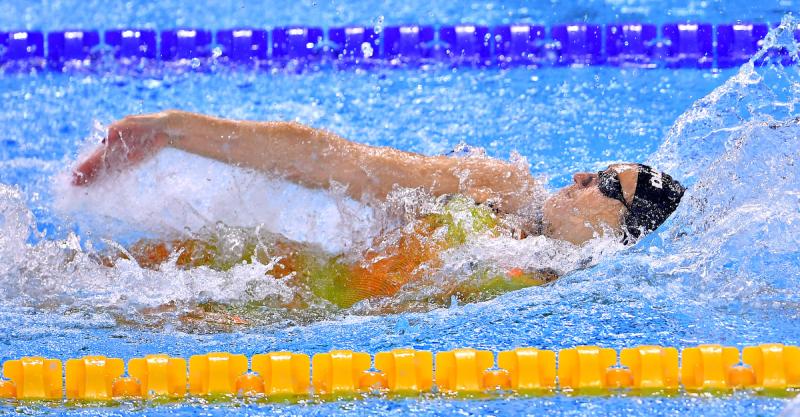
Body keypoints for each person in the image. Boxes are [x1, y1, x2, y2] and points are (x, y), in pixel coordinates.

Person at [72, 110, 685, 310]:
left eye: (607, 182)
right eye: (599, 167)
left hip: (275, 320)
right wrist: (175, 130)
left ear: (624, 232)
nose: (583, 175)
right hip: (244, 278)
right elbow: (338, 163)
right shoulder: (501, 190)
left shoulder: (565, 291)